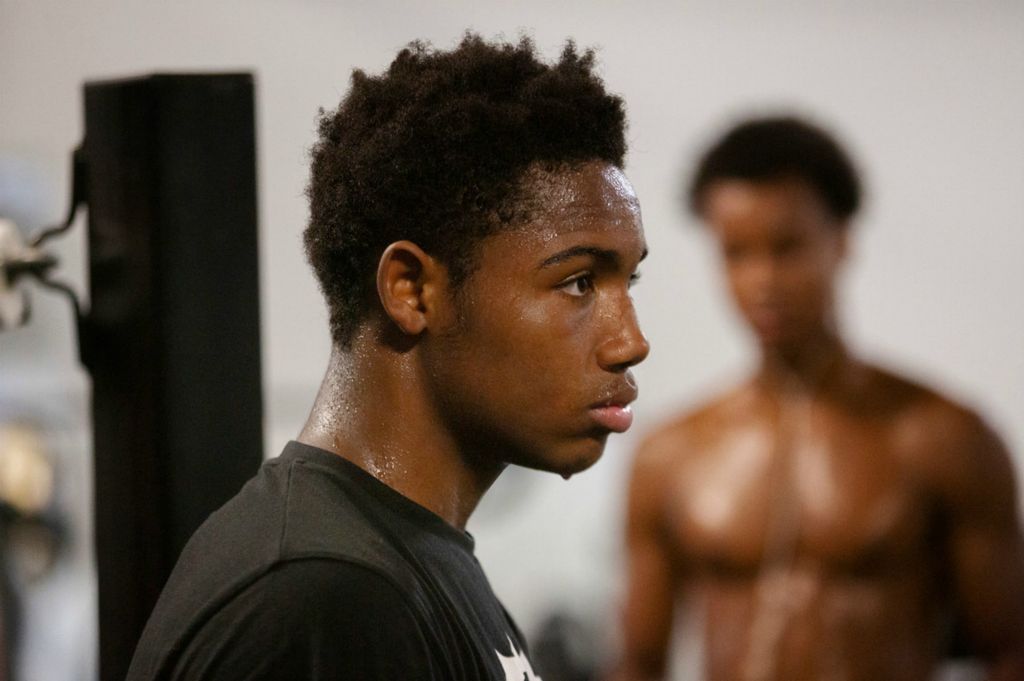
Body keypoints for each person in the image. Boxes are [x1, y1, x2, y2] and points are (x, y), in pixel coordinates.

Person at [127, 34, 649, 681]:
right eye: (578, 282)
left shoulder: (405, 564)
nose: (631, 340)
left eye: (630, 282)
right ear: (411, 289)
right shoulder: (322, 599)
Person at [615, 117, 1024, 681]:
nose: (763, 279)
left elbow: (1009, 650)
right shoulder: (670, 455)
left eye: (787, 247)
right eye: (737, 253)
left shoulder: (945, 440)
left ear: (842, 240)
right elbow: (637, 665)